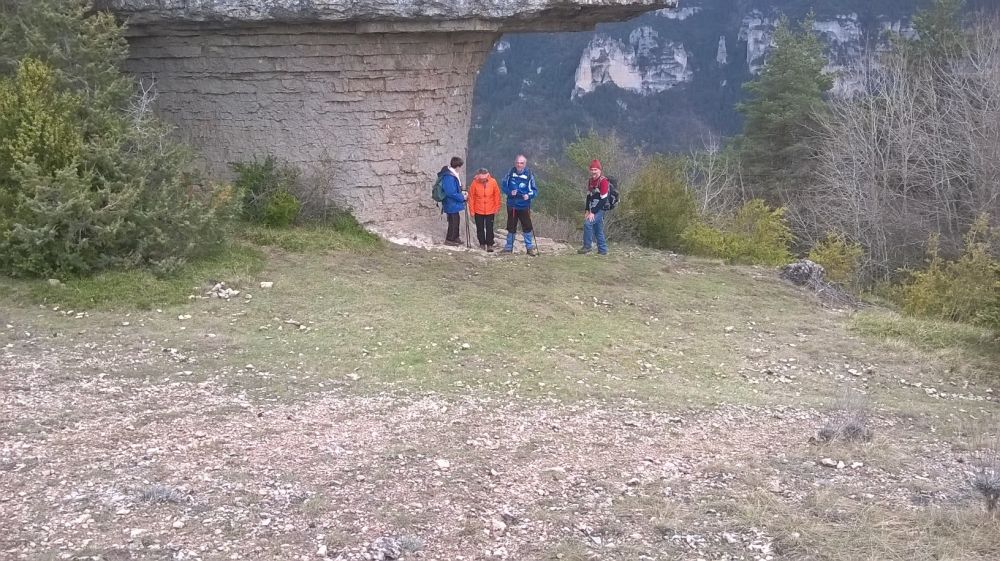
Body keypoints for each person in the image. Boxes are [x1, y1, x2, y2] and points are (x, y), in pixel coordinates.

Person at [500, 154, 538, 256]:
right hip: (512, 204)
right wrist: (509, 192)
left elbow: (534, 190)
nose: (519, 165)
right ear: (515, 163)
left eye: (521, 163)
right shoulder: (510, 173)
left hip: (524, 205)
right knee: (511, 226)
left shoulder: (529, 175)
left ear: (525, 164)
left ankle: (529, 248)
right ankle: (508, 248)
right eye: (517, 163)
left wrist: (528, 196)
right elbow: (503, 186)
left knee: (527, 226)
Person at [579, 159, 609, 255]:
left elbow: (603, 200)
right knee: (598, 229)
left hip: (600, 209)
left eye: (595, 170)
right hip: (592, 207)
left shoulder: (604, 181)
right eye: (592, 170)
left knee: (587, 224)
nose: (593, 172)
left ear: (600, 170)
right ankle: (603, 250)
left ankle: (587, 246)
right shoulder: (591, 181)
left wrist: (593, 212)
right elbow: (589, 196)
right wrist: (587, 210)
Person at [467, 168, 501, 252]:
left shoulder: (493, 182)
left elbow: (497, 195)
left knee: (490, 227)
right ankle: (482, 243)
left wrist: (497, 207)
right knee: (480, 227)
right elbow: (471, 197)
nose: (483, 180)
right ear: (478, 176)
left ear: (487, 175)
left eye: (484, 178)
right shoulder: (474, 183)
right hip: (478, 209)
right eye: (481, 178)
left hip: (490, 209)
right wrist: (472, 210)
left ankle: (490, 244)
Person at [438, 156, 466, 246]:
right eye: (460, 167)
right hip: (450, 202)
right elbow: (450, 192)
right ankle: (449, 239)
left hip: (453, 203)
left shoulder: (451, 175)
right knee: (453, 221)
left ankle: (455, 237)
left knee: (456, 220)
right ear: (457, 166)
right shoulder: (449, 177)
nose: (460, 169)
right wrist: (462, 197)